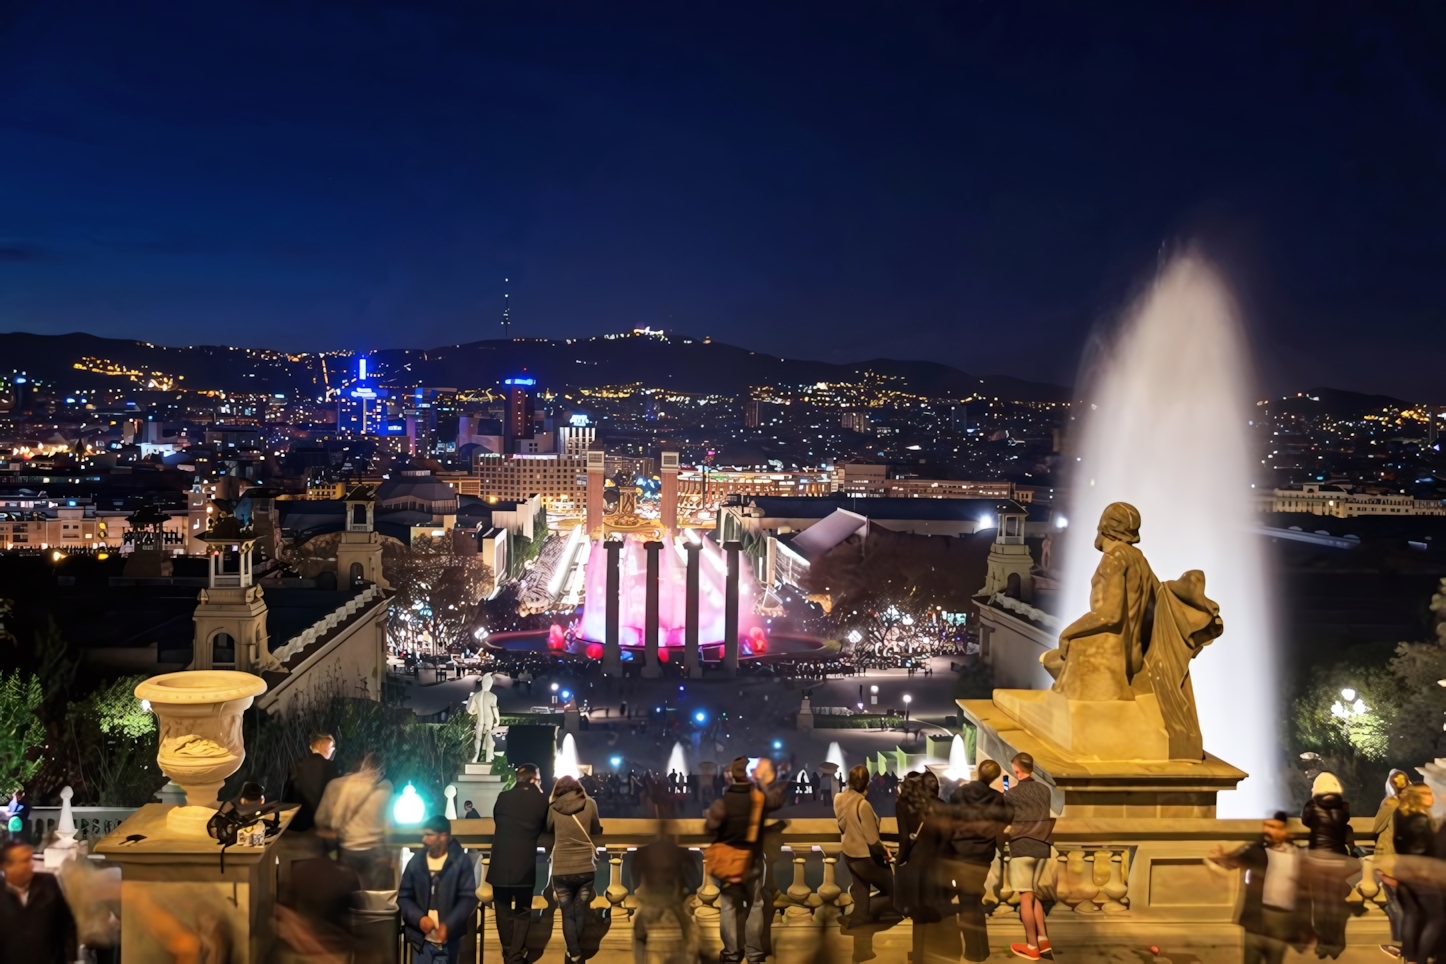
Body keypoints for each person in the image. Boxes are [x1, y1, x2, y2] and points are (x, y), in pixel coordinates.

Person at [705, 756, 786, 964]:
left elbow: (710, 828)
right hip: (752, 860)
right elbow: (778, 801)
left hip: (728, 861)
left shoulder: (723, 802)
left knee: (728, 907)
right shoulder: (758, 799)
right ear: (748, 776)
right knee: (756, 905)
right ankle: (754, 953)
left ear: (731, 776)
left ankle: (731, 953)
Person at [1209, 812, 1305, 964]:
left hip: (1280, 923)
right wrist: (1221, 858)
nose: (1267, 830)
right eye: (1266, 826)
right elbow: (1234, 861)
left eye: (1273, 827)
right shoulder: (1256, 849)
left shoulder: (1297, 853)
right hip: (1255, 921)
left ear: (1284, 830)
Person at [949, 760, 1014, 962]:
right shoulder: (997, 798)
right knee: (972, 899)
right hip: (982, 854)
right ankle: (978, 950)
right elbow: (1009, 816)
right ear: (994, 778)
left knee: (968, 901)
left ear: (978, 772)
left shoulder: (959, 794)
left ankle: (974, 951)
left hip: (959, 852)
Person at [490, 763, 551, 964]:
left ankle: (508, 952)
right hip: (524, 863)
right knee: (523, 911)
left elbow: (497, 820)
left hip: (499, 861)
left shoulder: (503, 797)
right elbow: (546, 827)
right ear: (534, 779)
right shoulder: (541, 801)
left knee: (502, 909)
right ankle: (515, 956)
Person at [400, 814, 478, 964]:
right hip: (421, 943)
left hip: (449, 942)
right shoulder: (416, 862)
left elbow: (468, 898)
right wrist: (419, 918)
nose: (424, 840)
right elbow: (404, 896)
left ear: (443, 837)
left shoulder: (460, 863)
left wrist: (448, 925)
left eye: (429, 835)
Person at [315, 751, 394, 889]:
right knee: (373, 897)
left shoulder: (348, 785)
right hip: (375, 852)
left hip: (349, 849)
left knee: (349, 894)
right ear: (381, 770)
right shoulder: (386, 788)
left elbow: (335, 821)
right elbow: (388, 825)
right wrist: (388, 852)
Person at [546, 775, 603, 964]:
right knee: (580, 912)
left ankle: (574, 952)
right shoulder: (590, 804)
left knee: (567, 913)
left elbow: (548, 828)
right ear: (578, 788)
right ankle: (575, 953)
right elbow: (596, 828)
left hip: (561, 868)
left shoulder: (553, 808)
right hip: (585, 867)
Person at [1003, 752, 1054, 961]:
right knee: (1036, 896)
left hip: (1022, 846)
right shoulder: (1045, 790)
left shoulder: (1011, 795)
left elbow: (1007, 816)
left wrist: (1004, 794)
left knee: (1025, 896)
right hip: (1043, 846)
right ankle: (1043, 939)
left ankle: (1032, 945)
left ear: (1016, 770)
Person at [1300, 771, 1354, 959]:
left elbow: (1306, 821)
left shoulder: (1311, 807)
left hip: (1318, 859)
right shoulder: (1344, 807)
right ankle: (1337, 944)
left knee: (1320, 903)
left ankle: (1324, 943)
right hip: (1338, 859)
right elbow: (1344, 825)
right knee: (1335, 903)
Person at [835, 763, 895, 927]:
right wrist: (885, 851)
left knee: (861, 887)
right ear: (867, 783)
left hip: (849, 854)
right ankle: (873, 912)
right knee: (894, 886)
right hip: (865, 857)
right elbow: (872, 840)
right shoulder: (863, 805)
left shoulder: (838, 799)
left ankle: (860, 917)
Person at [0, 840, 77, 964]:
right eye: (24, 861)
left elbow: (67, 924)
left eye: (30, 859)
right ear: (5, 866)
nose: (30, 865)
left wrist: (71, 959)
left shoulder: (48, 885)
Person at [1391, 784, 1440, 964]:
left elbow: (1397, 842)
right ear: (1418, 796)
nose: (1431, 796)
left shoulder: (1401, 814)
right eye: (1427, 793)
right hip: (1421, 874)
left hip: (1403, 870)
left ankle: (1410, 956)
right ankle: (1422, 957)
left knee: (1412, 914)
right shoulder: (1420, 820)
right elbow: (1422, 850)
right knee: (1437, 917)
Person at [1374, 769, 1411, 959]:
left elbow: (1377, 827)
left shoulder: (1390, 803)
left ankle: (1400, 946)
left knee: (1395, 903)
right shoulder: (1417, 803)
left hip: (1390, 861)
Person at [283, 732, 339, 833]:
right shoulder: (330, 767)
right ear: (324, 746)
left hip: (297, 823)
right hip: (319, 826)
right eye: (332, 748)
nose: (333, 751)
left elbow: (288, 795)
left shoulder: (295, 764)